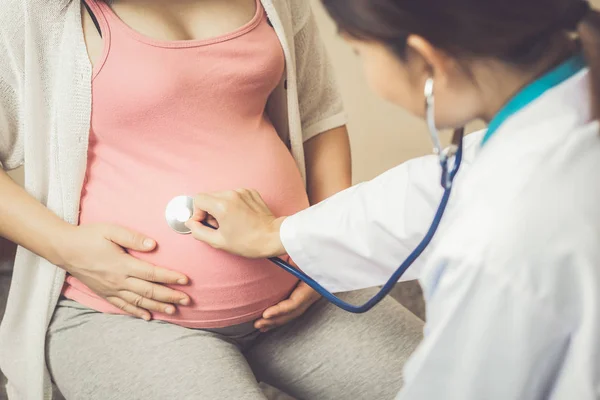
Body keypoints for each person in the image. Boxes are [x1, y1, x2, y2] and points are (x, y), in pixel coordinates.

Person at [0, 1, 425, 399]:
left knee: (464, 384)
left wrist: (324, 250)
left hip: (304, 291)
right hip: (126, 316)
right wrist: (69, 249)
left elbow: (320, 114)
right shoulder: (37, 13)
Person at [187, 0, 600, 398]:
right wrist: (284, 232)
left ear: (425, 61)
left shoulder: (496, 243)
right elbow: (436, 191)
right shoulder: (564, 121)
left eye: (358, 51)